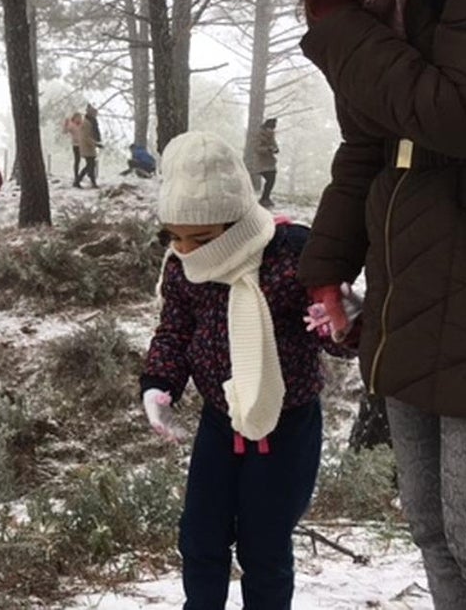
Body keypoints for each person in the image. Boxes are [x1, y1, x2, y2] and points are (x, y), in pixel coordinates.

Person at [232, 0, 466, 606]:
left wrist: (340, 25)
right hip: (417, 280)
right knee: (431, 526)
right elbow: (371, 142)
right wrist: (326, 265)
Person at [141, 131, 354, 610]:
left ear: (235, 222)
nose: (187, 249)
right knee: (200, 538)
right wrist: (158, 386)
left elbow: (342, 338)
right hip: (220, 421)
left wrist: (339, 324)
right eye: (175, 235)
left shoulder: (294, 252)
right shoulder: (183, 266)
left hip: (287, 425)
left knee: (264, 546)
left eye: (201, 237)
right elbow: (175, 331)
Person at [64, 111, 99, 188]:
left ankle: (88, 179)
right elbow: (65, 131)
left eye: (80, 117)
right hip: (76, 145)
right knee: (79, 161)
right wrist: (65, 124)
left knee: (90, 164)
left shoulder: (82, 124)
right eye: (78, 117)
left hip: (83, 145)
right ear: (74, 118)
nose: (79, 119)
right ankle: (77, 178)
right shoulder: (72, 125)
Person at [249, 118, 279, 208]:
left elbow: (275, 145)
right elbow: (256, 148)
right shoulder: (259, 135)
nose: (271, 130)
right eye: (270, 128)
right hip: (261, 162)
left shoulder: (271, 135)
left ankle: (265, 198)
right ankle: (264, 198)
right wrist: (268, 149)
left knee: (272, 179)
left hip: (270, 162)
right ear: (266, 127)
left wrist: (276, 149)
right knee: (270, 179)